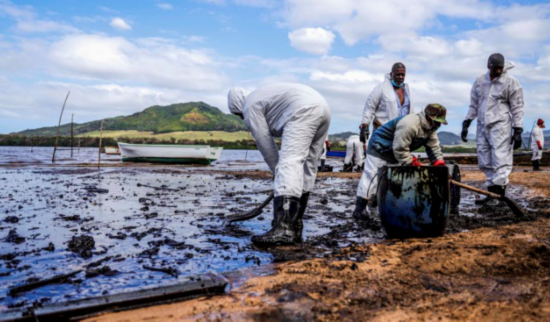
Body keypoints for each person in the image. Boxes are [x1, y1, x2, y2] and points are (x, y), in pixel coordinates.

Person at [227, 83, 331, 245]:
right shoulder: (261, 95)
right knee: (308, 166)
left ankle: (284, 229)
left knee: (289, 162)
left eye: (239, 114)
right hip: (323, 108)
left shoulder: (250, 105)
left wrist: (278, 173)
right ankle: (294, 223)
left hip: (303, 109)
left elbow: (265, 143)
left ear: (238, 106)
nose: (242, 117)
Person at [353, 104, 448, 221]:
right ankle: (359, 209)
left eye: (440, 123)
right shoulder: (410, 124)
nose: (438, 125)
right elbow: (400, 149)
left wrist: (438, 162)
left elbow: (433, 146)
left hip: (393, 151)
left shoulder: (431, 129)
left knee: (390, 179)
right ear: (428, 117)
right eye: (436, 122)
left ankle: (377, 204)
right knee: (372, 176)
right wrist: (411, 161)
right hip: (379, 146)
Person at [461, 53, 524, 206]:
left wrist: (518, 130)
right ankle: (490, 193)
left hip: (500, 125)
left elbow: (517, 106)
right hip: (483, 125)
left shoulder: (510, 82)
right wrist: (467, 121)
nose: (497, 71)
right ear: (488, 66)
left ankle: (500, 194)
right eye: (495, 68)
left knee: (500, 157)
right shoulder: (480, 81)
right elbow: (474, 104)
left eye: (500, 68)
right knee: (485, 157)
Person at [359, 62, 415, 143]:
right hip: (383, 132)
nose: (401, 77)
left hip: (402, 134)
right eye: (398, 74)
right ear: (392, 74)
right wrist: (365, 125)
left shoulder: (407, 90)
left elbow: (411, 112)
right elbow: (370, 107)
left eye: (403, 75)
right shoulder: (381, 88)